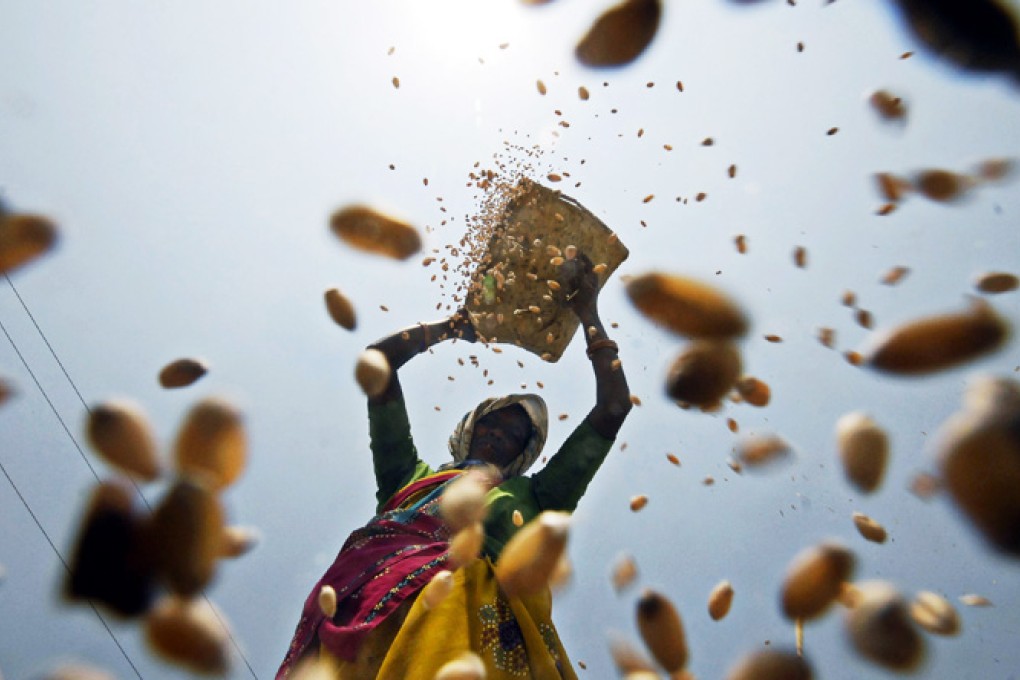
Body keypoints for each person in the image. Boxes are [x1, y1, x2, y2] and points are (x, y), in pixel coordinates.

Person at [278, 256, 632, 679]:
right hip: (365, 613)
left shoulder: (536, 497)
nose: (500, 435)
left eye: (515, 434)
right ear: (471, 426)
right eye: (493, 422)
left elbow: (614, 407)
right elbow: (379, 363)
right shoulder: (409, 478)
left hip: (471, 629)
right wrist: (455, 327)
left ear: (524, 453)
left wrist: (588, 312)